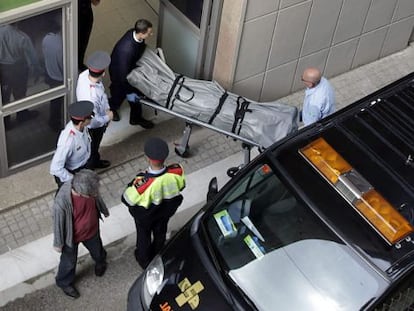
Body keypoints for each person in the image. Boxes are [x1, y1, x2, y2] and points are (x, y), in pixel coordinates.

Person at [122, 137, 185, 268]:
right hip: (165, 213)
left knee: (143, 238)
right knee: (160, 233)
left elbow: (126, 199)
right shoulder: (177, 172)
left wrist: (136, 181)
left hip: (146, 218)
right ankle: (158, 254)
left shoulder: (143, 183)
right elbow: (181, 186)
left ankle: (144, 260)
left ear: (148, 158)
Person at [53, 169, 109, 299]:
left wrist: (103, 210)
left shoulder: (88, 187)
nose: (95, 194)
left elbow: (97, 197)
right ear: (81, 193)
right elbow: (58, 223)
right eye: (91, 194)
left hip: (92, 229)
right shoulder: (61, 201)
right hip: (72, 237)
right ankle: (64, 282)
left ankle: (101, 262)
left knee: (98, 250)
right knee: (69, 262)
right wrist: (58, 243)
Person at [109, 19, 154, 128]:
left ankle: (116, 108)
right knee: (131, 95)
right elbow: (124, 76)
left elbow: (139, 47)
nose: (151, 34)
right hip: (119, 73)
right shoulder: (127, 50)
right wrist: (130, 89)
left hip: (122, 67)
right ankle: (133, 117)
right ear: (141, 33)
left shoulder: (133, 33)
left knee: (119, 94)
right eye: (149, 33)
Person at [76, 51, 113, 169]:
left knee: (93, 148)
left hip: (97, 118)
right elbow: (93, 121)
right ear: (103, 74)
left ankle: (95, 160)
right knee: (93, 147)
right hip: (94, 128)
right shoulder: (91, 96)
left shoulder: (84, 75)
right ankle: (91, 167)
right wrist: (108, 117)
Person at [0, 23, 40, 125]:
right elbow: (32, 57)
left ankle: (5, 122)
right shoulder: (22, 36)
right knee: (20, 94)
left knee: (4, 96)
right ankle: (22, 115)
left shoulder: (1, 32)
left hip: (3, 68)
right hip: (18, 68)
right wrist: (37, 70)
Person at [50, 101, 94, 188]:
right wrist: (73, 180)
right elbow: (55, 168)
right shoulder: (68, 141)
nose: (92, 118)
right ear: (82, 122)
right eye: (90, 117)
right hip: (72, 172)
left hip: (83, 166)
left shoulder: (82, 127)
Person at [42, 20, 64, 131]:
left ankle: (54, 121)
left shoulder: (46, 38)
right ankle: (54, 122)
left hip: (49, 73)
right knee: (57, 102)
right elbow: (62, 64)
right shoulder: (60, 44)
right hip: (58, 77)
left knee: (54, 100)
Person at [78, 0, 101, 71]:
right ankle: (79, 64)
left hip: (81, 17)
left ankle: (78, 63)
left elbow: (96, 2)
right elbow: (96, 2)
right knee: (81, 44)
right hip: (82, 16)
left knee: (81, 44)